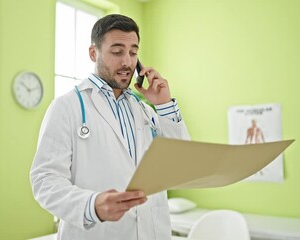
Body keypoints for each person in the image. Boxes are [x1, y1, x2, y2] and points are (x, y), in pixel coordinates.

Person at [30, 14, 190, 240]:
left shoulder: (145, 110)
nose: (127, 61)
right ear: (93, 53)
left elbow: (181, 164)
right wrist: (91, 205)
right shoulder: (67, 107)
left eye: (133, 52)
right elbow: (45, 180)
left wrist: (164, 105)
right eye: (117, 52)